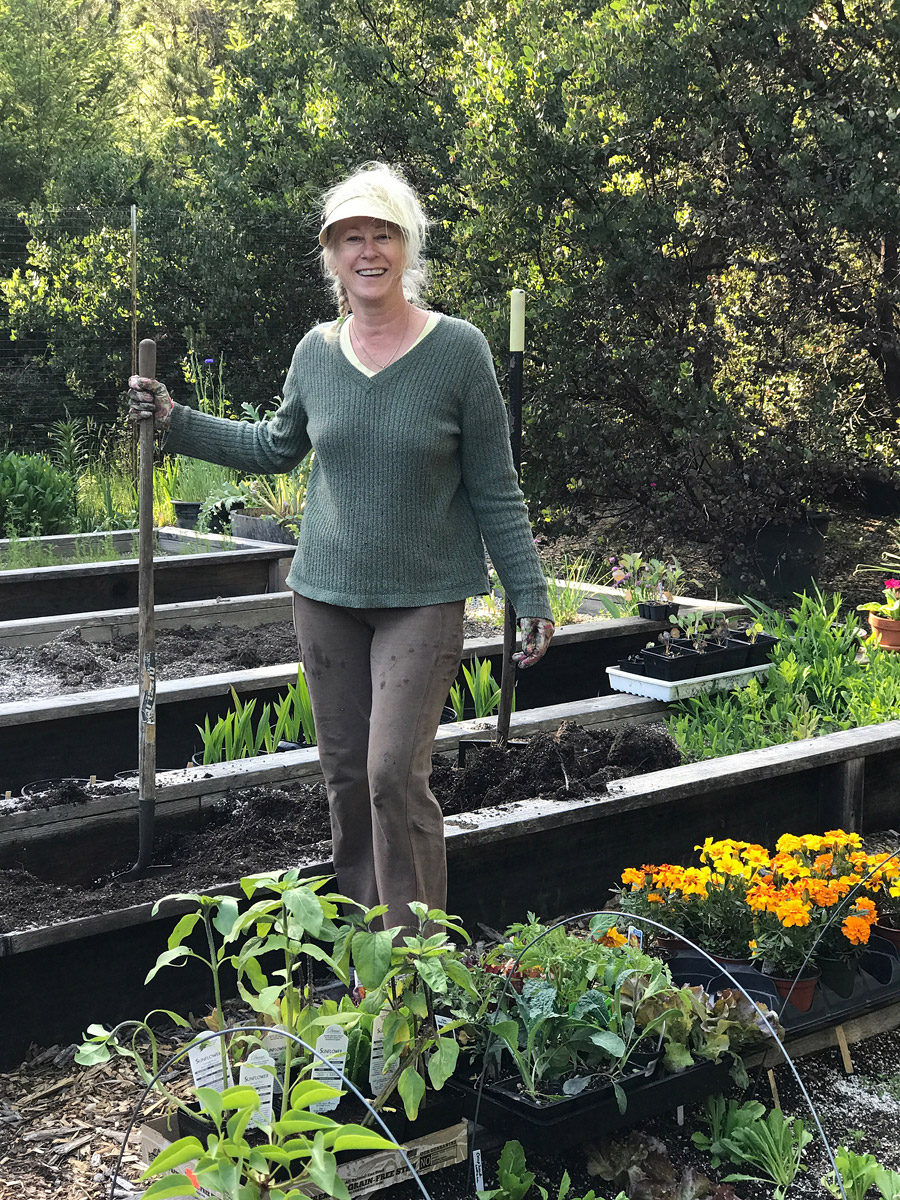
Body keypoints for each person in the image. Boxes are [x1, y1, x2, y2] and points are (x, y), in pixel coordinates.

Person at [129, 162, 554, 931]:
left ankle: (417, 960)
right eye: (350, 237)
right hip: (324, 596)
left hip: (422, 598)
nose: (368, 251)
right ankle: (367, 953)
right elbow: (274, 446)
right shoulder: (316, 353)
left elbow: (496, 485)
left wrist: (529, 593)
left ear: (407, 246)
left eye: (383, 234)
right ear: (331, 255)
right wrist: (174, 420)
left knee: (393, 775)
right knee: (347, 779)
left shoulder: (459, 351)